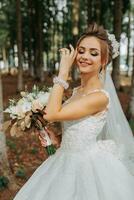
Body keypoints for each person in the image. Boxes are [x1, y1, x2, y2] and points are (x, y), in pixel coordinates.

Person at [13, 23, 134, 200]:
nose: (85, 56)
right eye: (81, 50)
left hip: (87, 166)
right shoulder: (77, 91)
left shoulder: (100, 97)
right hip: (63, 159)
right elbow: (80, 126)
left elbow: (52, 114)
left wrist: (63, 72)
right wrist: (59, 139)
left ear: (103, 61)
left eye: (93, 53)